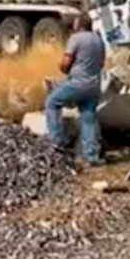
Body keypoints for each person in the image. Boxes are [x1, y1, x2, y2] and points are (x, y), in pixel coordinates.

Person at [45, 16, 105, 166]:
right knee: (88, 118)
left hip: (77, 84)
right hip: (94, 86)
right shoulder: (99, 40)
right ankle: (91, 157)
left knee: (52, 102)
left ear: (78, 25)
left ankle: (56, 141)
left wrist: (63, 67)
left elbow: (66, 64)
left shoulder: (75, 39)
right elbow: (101, 63)